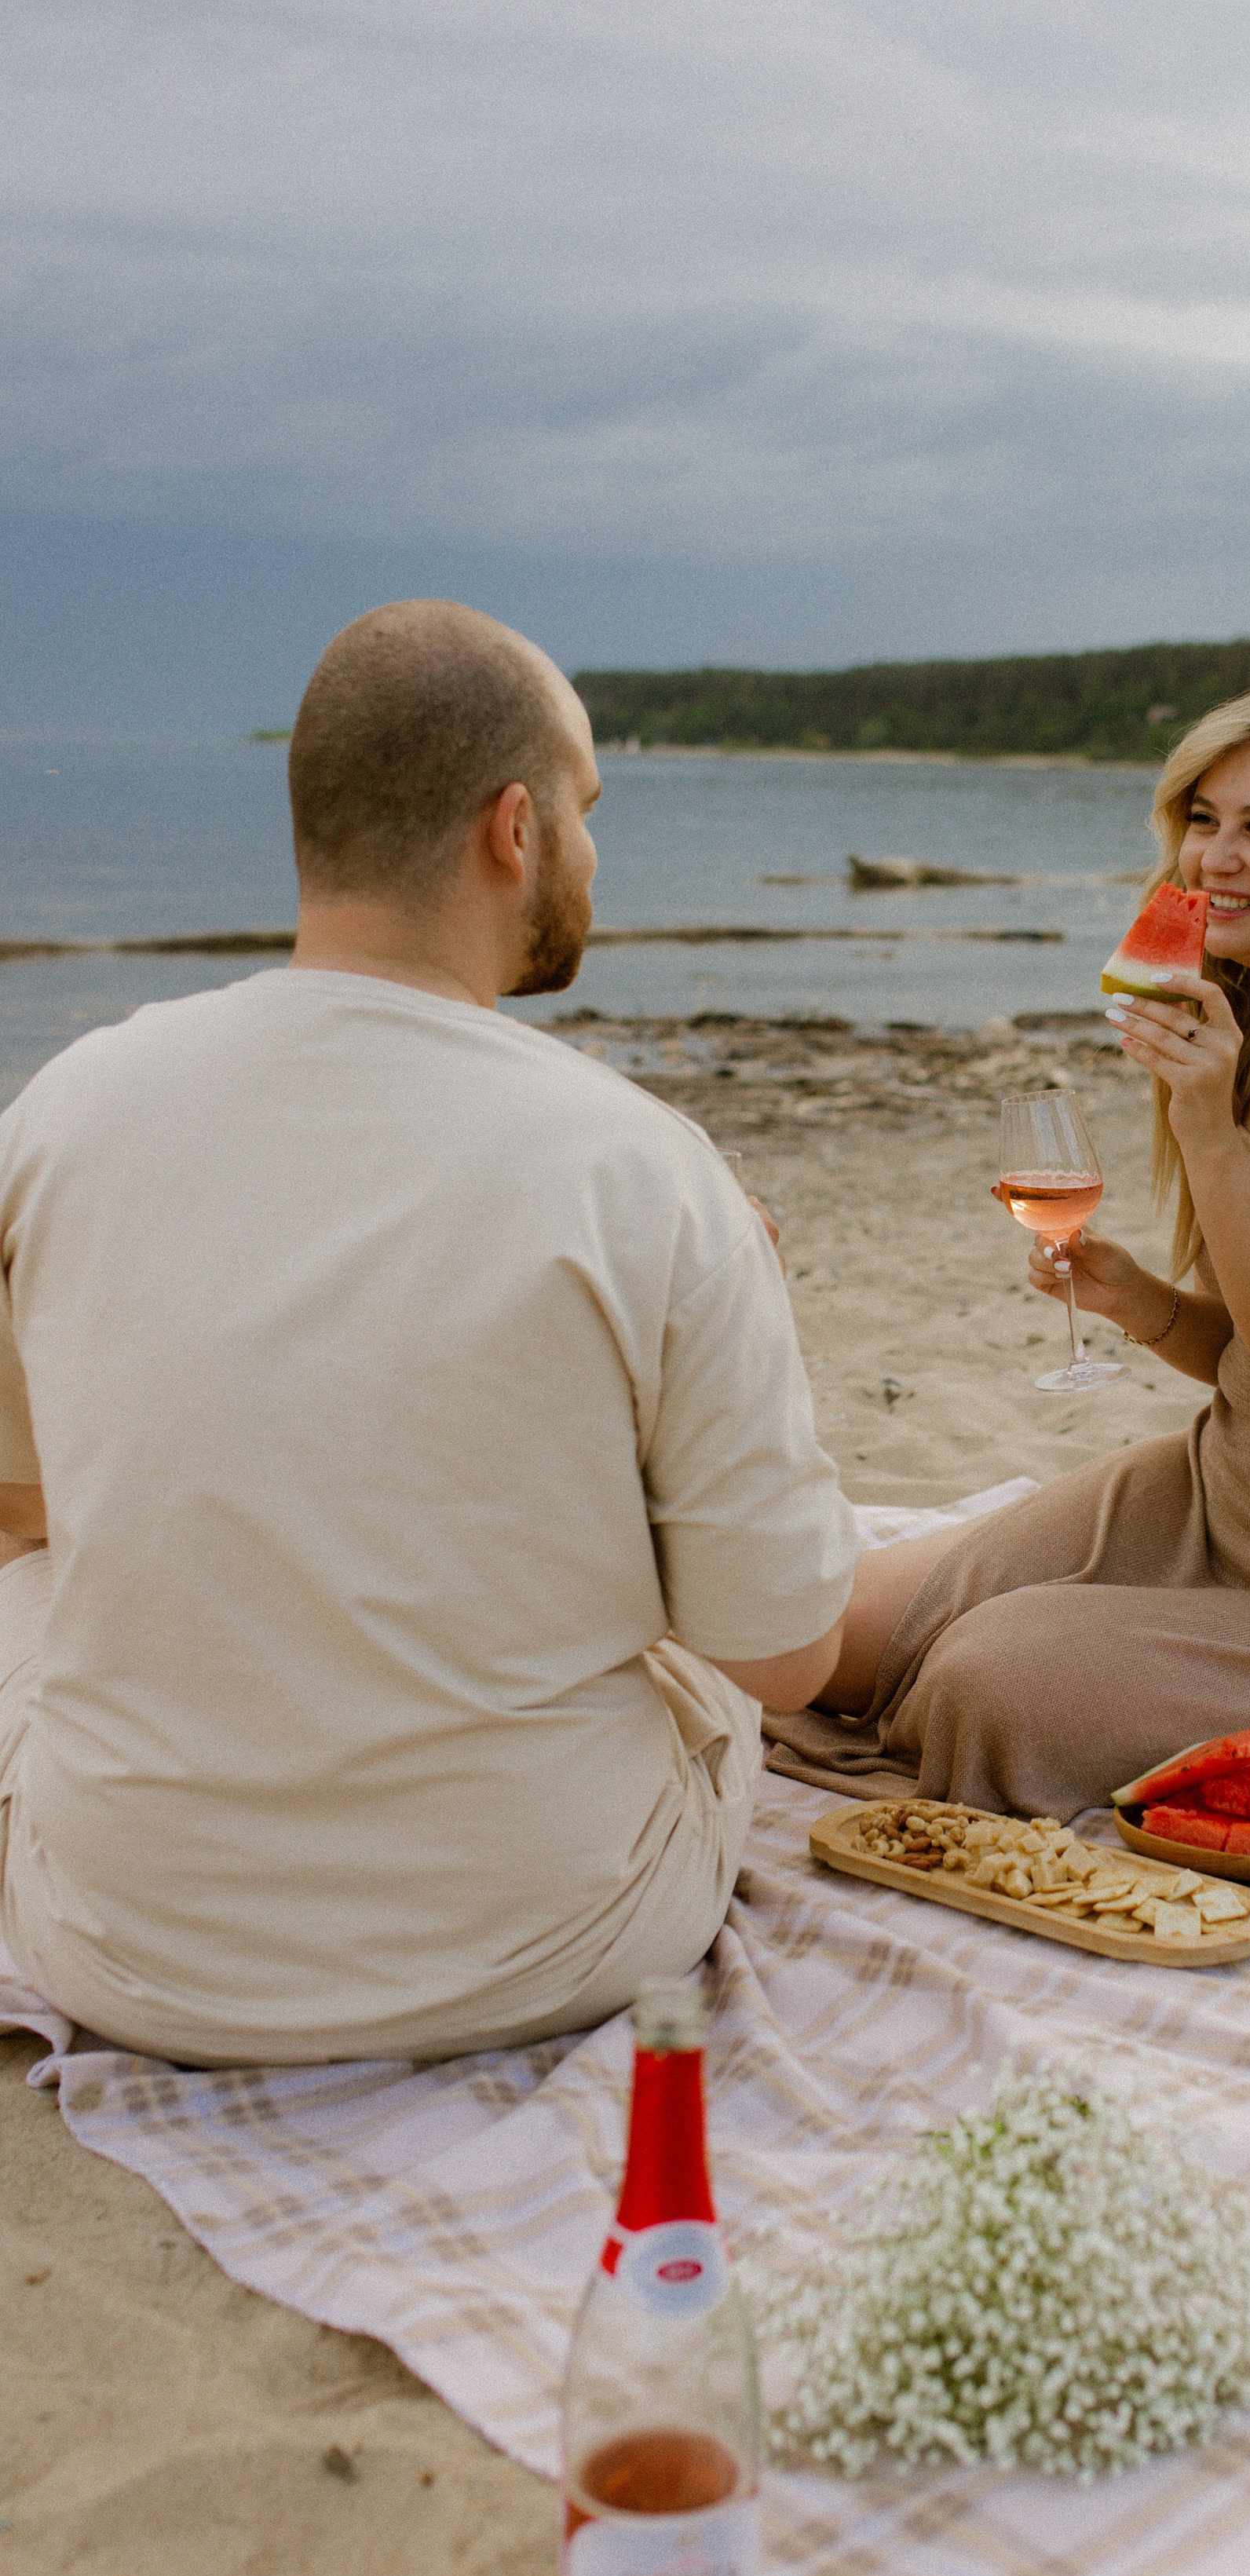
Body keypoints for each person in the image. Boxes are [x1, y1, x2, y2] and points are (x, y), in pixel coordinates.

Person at [0, 601, 857, 2065]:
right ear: (513, 830)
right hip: (546, 1943)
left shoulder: (65, 1107)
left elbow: (25, 1510)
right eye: (588, 811)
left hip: (133, 1950)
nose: (593, 853)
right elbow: (784, 1655)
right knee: (702, 1651)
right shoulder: (643, 1166)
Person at [766, 678, 1250, 1816]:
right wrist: (1142, 1302)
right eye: (1203, 819)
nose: (1214, 860)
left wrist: (1209, 1136)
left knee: (984, 1688)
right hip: (1216, 1503)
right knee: (813, 1636)